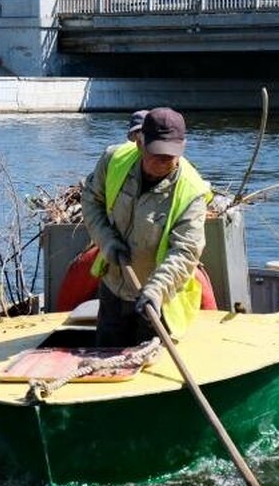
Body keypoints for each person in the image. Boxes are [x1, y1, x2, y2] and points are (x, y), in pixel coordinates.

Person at [81, 107, 211, 347]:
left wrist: (156, 289)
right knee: (106, 358)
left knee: (147, 363)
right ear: (140, 143)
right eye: (156, 154)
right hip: (114, 287)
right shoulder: (114, 160)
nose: (162, 162)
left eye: (170, 156)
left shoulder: (192, 191)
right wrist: (106, 240)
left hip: (159, 300)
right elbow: (91, 201)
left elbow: (186, 250)